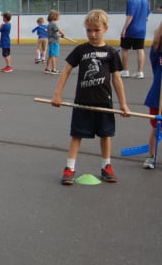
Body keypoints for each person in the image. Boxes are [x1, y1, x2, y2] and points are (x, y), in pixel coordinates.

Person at [51, 9, 130, 185]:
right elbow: (66, 71)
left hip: (104, 102)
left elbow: (117, 79)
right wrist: (58, 93)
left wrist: (123, 104)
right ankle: (69, 168)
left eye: (96, 30)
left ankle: (106, 166)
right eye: (89, 30)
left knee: (105, 134)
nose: (92, 34)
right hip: (82, 103)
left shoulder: (111, 52)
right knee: (77, 135)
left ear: (105, 29)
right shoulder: (81, 50)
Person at [142, 21, 162, 169]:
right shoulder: (157, 55)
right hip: (158, 98)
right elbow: (156, 39)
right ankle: (151, 156)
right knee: (157, 128)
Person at [120, 0, 150, 79]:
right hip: (142, 29)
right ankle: (140, 72)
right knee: (140, 49)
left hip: (131, 29)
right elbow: (147, 14)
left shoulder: (131, 1)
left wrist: (124, 29)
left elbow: (130, 16)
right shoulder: (145, 1)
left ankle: (125, 71)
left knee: (125, 48)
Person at [45, 10, 66, 74]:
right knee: (54, 55)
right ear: (54, 17)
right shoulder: (54, 24)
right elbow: (58, 30)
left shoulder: (49, 24)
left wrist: (59, 35)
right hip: (54, 41)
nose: (58, 17)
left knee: (50, 55)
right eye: (58, 16)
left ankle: (47, 68)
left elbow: (54, 33)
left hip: (50, 41)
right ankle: (54, 69)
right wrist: (62, 34)